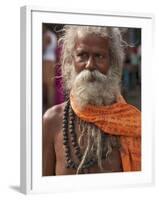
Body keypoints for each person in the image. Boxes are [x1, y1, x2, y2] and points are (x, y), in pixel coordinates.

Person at [43, 25, 141, 176]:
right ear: (71, 60)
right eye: (82, 55)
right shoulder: (52, 120)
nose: (90, 65)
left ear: (112, 62)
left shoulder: (133, 124)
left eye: (99, 56)